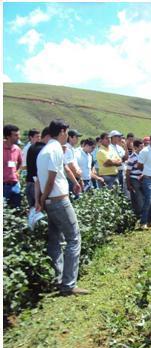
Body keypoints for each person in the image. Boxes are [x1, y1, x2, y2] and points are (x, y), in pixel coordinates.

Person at [36, 119, 88, 296]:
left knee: (55, 240)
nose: (67, 135)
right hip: (59, 200)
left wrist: (42, 200)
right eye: (66, 132)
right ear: (63, 131)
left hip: (51, 202)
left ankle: (57, 278)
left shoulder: (43, 150)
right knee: (74, 238)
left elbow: (41, 180)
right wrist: (42, 198)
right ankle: (68, 284)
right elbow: (51, 179)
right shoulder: (55, 149)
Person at [25, 127, 51, 207]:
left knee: (34, 214)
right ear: (48, 136)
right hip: (38, 186)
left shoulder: (32, 147)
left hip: (30, 184)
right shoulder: (44, 150)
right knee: (41, 213)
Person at [3, 124, 23, 208]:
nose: (19, 137)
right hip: (3, 185)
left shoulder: (17, 149)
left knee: (17, 209)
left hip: (15, 185)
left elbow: (21, 163)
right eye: (16, 135)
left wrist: (17, 172)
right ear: (8, 136)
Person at [126, 139, 145, 218]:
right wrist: (128, 183)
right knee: (139, 196)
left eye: (143, 146)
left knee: (143, 196)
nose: (142, 148)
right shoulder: (132, 158)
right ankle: (141, 214)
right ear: (136, 148)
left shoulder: (143, 156)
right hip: (135, 179)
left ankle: (142, 212)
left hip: (143, 177)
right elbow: (128, 172)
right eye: (141, 147)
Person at [64, 129, 83, 196]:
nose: (77, 139)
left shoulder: (72, 149)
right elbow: (70, 166)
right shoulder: (67, 149)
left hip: (75, 178)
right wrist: (79, 177)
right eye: (76, 137)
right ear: (70, 137)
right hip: (71, 179)